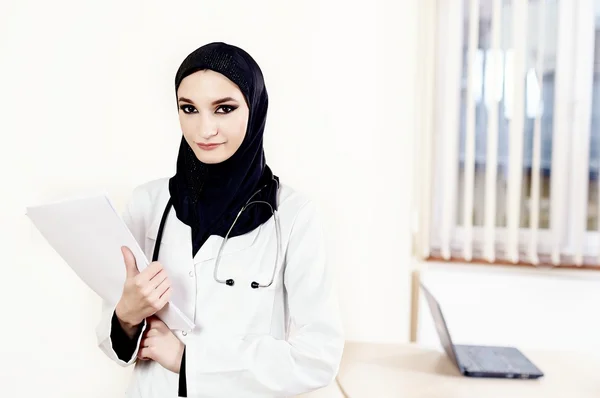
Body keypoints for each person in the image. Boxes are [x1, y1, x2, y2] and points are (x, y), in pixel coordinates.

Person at [94, 42, 345, 397]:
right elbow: (114, 345)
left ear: (254, 108)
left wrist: (189, 359)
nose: (204, 129)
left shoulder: (294, 216)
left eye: (223, 108)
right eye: (189, 109)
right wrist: (126, 316)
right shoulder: (148, 203)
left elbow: (318, 358)